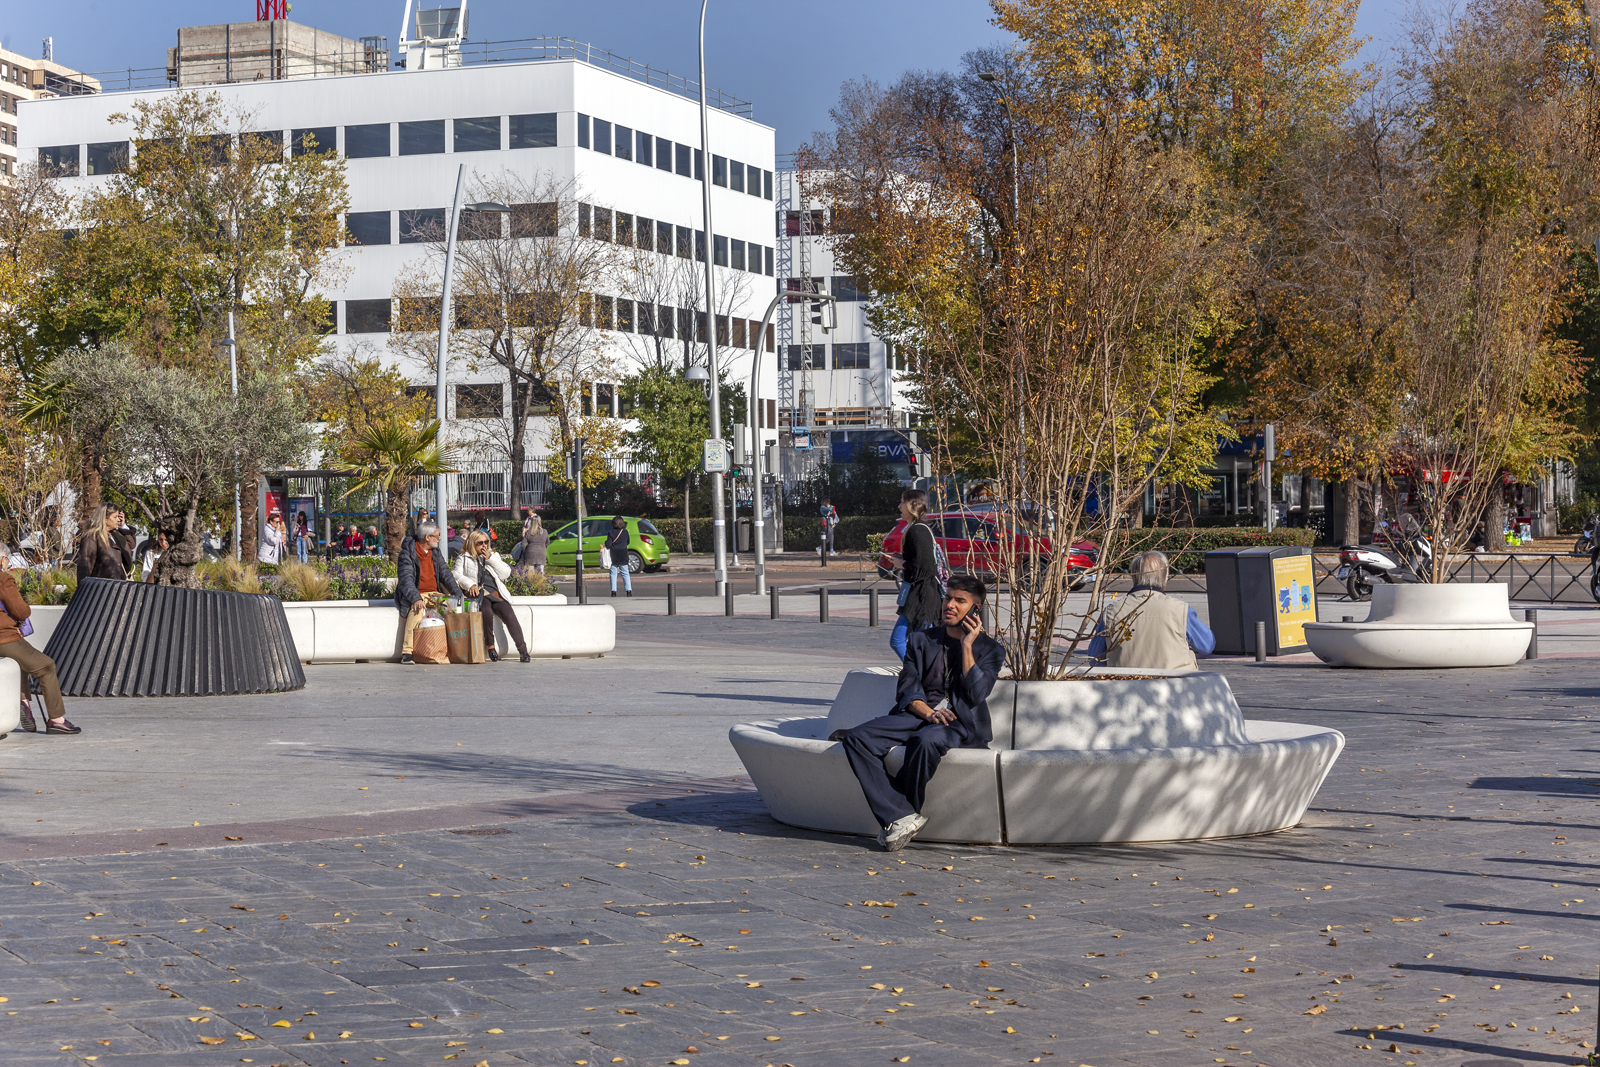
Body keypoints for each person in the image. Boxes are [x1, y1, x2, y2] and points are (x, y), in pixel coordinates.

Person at [839, 576, 1005, 851]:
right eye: (948, 597)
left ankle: (900, 814)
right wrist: (927, 712)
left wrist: (967, 645)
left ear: (975, 610)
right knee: (858, 738)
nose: (949, 605)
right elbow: (907, 687)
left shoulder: (990, 650)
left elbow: (976, 694)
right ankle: (903, 816)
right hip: (920, 715)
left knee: (926, 740)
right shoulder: (919, 640)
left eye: (959, 601)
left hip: (958, 724)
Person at [1084, 551, 1215, 670]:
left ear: (1134, 577)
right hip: (1175, 687)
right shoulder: (1180, 609)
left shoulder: (1112, 612)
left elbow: (1095, 658)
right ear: (1165, 579)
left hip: (1126, 687)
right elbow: (1207, 645)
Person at [0, 557, 78, 735]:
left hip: (5, 643)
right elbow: (21, 611)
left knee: (20, 662)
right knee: (45, 666)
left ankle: (24, 702)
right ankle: (56, 720)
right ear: (3, 560)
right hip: (5, 638)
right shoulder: (3, 579)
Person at [453, 530, 530, 663]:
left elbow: (506, 574)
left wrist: (491, 559)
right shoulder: (464, 557)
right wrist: (470, 584)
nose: (484, 546)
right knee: (486, 612)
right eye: (480, 543)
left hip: (495, 592)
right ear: (472, 543)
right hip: (479, 594)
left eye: (486, 542)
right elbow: (455, 574)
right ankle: (490, 647)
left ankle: (523, 650)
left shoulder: (493, 555)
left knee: (509, 614)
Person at [395, 521, 463, 664]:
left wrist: (458, 595)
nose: (439, 539)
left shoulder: (435, 553)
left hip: (434, 594)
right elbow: (406, 580)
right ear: (427, 537)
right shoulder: (407, 554)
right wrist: (416, 598)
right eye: (437, 536)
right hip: (416, 594)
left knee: (452, 609)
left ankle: (456, 649)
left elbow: (446, 575)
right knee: (417, 611)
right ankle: (407, 652)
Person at [889, 489, 942, 659]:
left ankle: (916, 673)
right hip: (920, 595)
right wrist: (903, 558)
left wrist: (901, 564)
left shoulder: (917, 530)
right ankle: (918, 673)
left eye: (902, 502)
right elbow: (922, 559)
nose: (899, 506)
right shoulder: (918, 528)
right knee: (917, 643)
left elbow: (925, 567)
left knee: (898, 640)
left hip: (921, 596)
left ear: (913, 505)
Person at [75, 505, 130, 582]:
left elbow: (130, 545)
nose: (118, 520)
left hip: (118, 586)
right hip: (100, 589)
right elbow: (85, 567)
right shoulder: (92, 537)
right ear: (105, 519)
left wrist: (123, 527)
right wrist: (85, 589)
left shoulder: (115, 534)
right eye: (115, 517)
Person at [604, 516, 633, 597]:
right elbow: (628, 542)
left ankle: (613, 591)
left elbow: (608, 544)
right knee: (625, 573)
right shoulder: (625, 532)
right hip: (623, 553)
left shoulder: (611, 532)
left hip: (614, 554)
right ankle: (628, 590)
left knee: (613, 573)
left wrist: (606, 543)